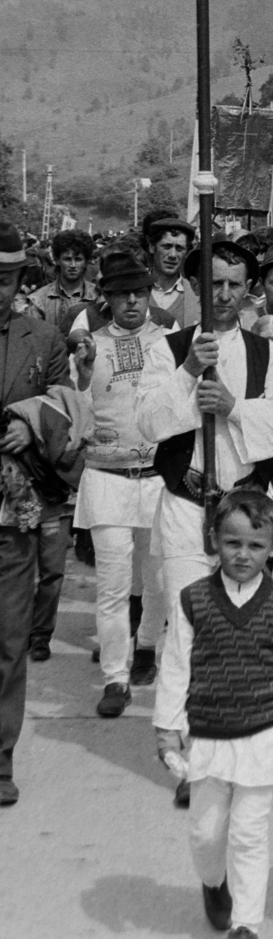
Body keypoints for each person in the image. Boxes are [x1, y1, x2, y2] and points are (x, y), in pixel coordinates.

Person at [154, 487, 273, 939]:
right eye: (232, 543)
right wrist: (167, 728)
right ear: (213, 540)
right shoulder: (192, 600)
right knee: (206, 833)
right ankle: (213, 881)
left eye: (256, 545)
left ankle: (247, 923)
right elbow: (176, 664)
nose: (243, 554)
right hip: (210, 733)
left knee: (248, 834)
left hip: (264, 735)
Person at [135, 238, 273, 625]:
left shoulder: (266, 352)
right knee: (186, 619)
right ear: (196, 285)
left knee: (239, 618)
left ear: (247, 291)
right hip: (186, 502)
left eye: (234, 285)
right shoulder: (170, 349)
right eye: (215, 284)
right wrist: (189, 371)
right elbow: (147, 422)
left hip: (246, 506)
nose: (224, 295)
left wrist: (234, 408)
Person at [0, 222, 88, 806]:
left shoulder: (43, 338)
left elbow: (72, 413)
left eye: (6, 278)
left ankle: (1, 758)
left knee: (8, 639)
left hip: (14, 509)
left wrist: (28, 420)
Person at [71, 247, 171, 714]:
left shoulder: (171, 338)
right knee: (112, 583)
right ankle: (114, 677)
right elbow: (75, 407)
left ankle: (147, 646)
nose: (131, 301)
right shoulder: (88, 344)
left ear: (150, 293)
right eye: (120, 294)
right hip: (107, 476)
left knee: (156, 577)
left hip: (158, 476)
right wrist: (84, 371)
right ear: (105, 297)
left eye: (138, 292)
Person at [29, 228, 97, 333]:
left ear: (86, 262)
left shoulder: (98, 296)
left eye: (78, 259)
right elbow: (34, 340)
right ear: (57, 260)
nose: (73, 265)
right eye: (67, 259)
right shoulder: (39, 300)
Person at [142, 214, 200, 331]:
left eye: (179, 248)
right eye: (167, 247)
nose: (173, 255)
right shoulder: (134, 289)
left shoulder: (195, 294)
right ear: (152, 247)